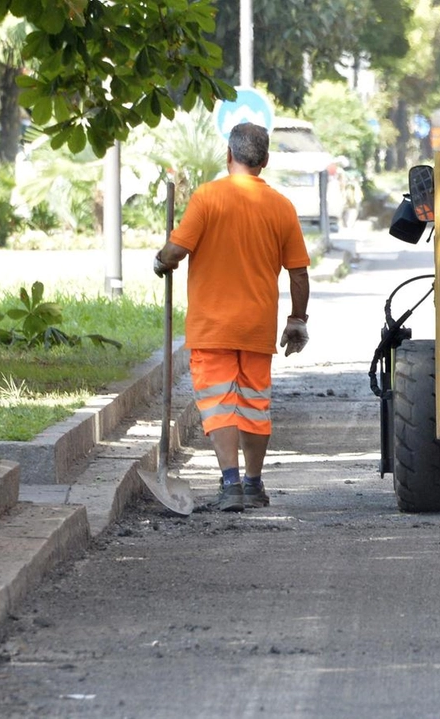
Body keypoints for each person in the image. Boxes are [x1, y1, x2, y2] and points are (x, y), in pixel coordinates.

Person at [153, 122, 312, 512]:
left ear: (229, 156)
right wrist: (296, 319)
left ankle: (230, 484)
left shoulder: (208, 198)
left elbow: (176, 252)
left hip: (212, 327)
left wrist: (161, 260)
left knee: (220, 403)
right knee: (255, 406)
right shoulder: (281, 206)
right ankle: (255, 484)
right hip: (257, 327)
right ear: (266, 160)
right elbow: (299, 272)